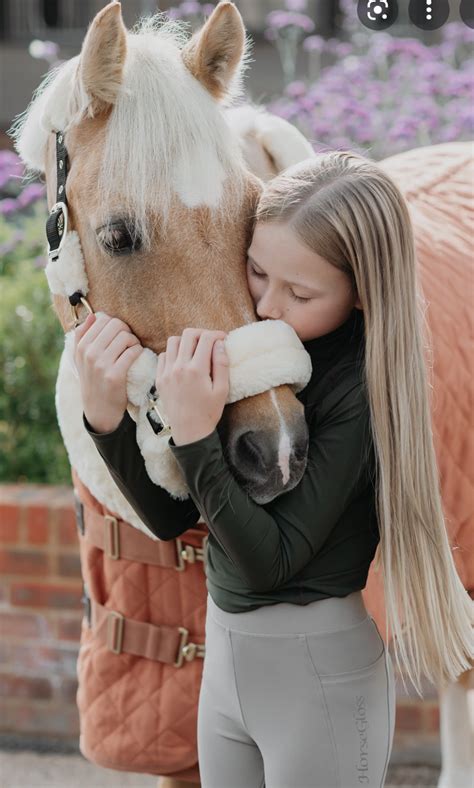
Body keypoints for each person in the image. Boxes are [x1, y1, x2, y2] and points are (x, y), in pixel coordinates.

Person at [74, 151, 473, 788]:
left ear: (362, 292)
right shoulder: (265, 362)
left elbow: (272, 564)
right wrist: (106, 420)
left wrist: (196, 434)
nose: (265, 306)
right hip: (228, 674)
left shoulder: (359, 390)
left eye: (301, 292)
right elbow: (174, 518)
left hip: (319, 680)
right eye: (257, 272)